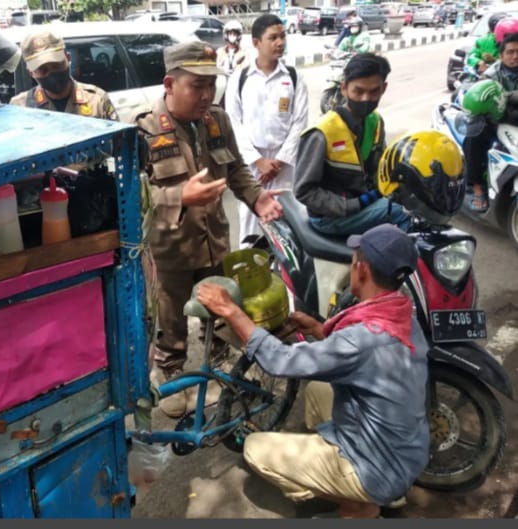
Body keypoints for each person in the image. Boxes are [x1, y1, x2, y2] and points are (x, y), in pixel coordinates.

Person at [195, 223, 429, 519]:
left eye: (354, 259)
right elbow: (363, 358)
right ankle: (366, 487)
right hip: (408, 449)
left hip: (378, 468)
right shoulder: (401, 314)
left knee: (255, 448)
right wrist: (320, 330)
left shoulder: (362, 339)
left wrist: (230, 310)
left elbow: (281, 361)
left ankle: (360, 506)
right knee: (319, 389)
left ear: (363, 270)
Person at [134, 40, 284, 417]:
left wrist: (257, 198)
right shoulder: (142, 130)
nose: (205, 95)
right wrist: (178, 197)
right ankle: (168, 375)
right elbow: (132, 196)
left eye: (210, 85)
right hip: (170, 249)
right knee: (170, 323)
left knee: (217, 311)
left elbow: (234, 169)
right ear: (169, 84)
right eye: (195, 86)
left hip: (214, 240)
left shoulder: (217, 120)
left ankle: (217, 368)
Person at [294, 53, 410, 236]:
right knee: (403, 214)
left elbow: (382, 167)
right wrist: (353, 205)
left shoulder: (375, 122)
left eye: (374, 92)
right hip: (330, 217)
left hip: (365, 203)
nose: (366, 99)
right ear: (344, 89)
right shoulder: (322, 132)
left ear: (384, 88)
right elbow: (304, 191)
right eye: (359, 91)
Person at [225, 13, 308, 247]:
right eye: (273, 37)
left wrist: (279, 161)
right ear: (256, 43)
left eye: (282, 36)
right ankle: (250, 265)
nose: (280, 42)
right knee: (251, 213)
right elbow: (233, 123)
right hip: (251, 162)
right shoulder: (240, 78)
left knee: (285, 214)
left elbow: (299, 121)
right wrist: (257, 160)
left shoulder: (293, 77)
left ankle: (283, 268)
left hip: (284, 163)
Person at [10, 25, 118, 120]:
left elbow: (119, 141)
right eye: (43, 69)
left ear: (68, 58)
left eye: (56, 64)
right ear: (31, 73)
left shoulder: (97, 101)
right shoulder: (20, 107)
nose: (51, 73)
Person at [462, 28, 518, 211]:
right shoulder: (491, 76)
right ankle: (477, 187)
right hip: (492, 119)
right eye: (510, 52)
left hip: (514, 118)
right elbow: (485, 101)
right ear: (501, 56)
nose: (515, 56)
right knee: (475, 138)